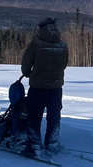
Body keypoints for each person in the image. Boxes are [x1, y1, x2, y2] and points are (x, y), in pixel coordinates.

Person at [21, 17, 69, 156]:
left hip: (38, 87)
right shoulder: (63, 45)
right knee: (54, 116)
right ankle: (52, 143)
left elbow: (26, 65)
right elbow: (64, 64)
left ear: (41, 29)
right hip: (56, 88)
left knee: (34, 116)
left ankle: (34, 144)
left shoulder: (35, 44)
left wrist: (30, 74)